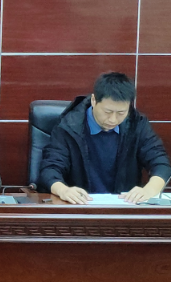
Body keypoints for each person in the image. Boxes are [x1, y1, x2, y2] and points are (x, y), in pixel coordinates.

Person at [38, 72, 171, 204]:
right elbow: (50, 169)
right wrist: (63, 190)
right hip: (79, 207)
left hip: (125, 207)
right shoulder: (69, 127)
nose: (113, 119)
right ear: (94, 100)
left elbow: (161, 163)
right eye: (107, 112)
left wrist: (149, 190)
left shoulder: (137, 125)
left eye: (121, 113)